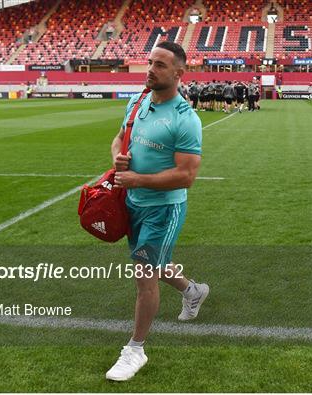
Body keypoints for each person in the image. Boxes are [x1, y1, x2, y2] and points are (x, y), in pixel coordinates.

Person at [107, 41, 210, 382]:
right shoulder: (137, 101)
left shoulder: (186, 119)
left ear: (179, 73)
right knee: (153, 262)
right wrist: (118, 159)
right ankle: (192, 291)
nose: (150, 69)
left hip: (163, 210)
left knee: (144, 276)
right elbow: (119, 138)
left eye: (160, 65)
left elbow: (187, 175)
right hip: (133, 204)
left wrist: (138, 177)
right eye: (150, 62)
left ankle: (135, 349)